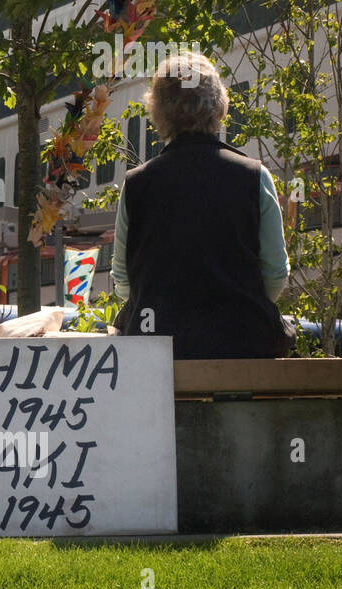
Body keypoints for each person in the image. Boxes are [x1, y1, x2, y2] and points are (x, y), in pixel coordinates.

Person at [112, 51, 291, 359]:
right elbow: (275, 274)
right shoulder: (254, 177)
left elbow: (123, 281)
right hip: (243, 349)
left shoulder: (136, 184)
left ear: (157, 111)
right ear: (220, 106)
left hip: (159, 354)